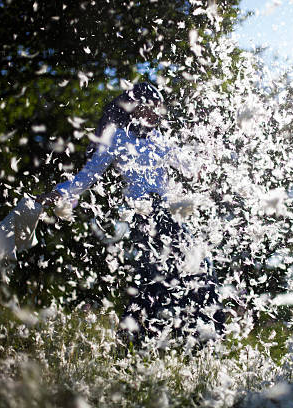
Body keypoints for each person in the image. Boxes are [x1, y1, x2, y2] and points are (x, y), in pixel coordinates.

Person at [39, 82, 224, 341]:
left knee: (184, 269)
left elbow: (193, 168)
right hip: (145, 214)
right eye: (151, 108)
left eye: (159, 109)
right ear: (135, 108)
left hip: (169, 212)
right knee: (162, 273)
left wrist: (209, 152)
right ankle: (137, 337)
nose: (157, 115)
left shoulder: (161, 139)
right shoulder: (118, 138)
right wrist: (59, 193)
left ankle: (178, 335)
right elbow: (88, 175)